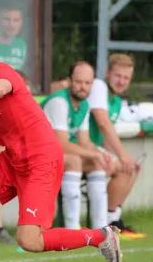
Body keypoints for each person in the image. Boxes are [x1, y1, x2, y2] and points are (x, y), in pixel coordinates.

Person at [0, 23, 122, 262]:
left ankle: (100, 236)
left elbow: (0, 89)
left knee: (29, 241)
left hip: (41, 159)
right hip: (12, 159)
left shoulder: (1, 72)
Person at [41, 62, 113, 229]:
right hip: (33, 152)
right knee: (74, 160)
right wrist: (93, 154)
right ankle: (72, 228)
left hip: (53, 154)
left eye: (87, 83)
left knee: (96, 162)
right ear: (70, 81)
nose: (83, 87)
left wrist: (100, 154)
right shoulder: (59, 101)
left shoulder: (84, 104)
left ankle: (101, 229)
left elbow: (84, 141)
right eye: (79, 82)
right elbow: (61, 144)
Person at [87, 53, 146, 239]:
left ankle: (114, 220)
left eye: (126, 78)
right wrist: (121, 156)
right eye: (118, 76)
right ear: (108, 73)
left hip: (93, 148)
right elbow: (102, 122)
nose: (121, 81)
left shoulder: (117, 102)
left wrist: (125, 156)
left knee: (132, 167)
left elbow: (104, 137)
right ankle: (107, 224)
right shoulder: (98, 86)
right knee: (120, 166)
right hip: (77, 146)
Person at [0, 5, 27, 71]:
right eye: (6, 19)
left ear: (21, 23)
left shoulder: (22, 45)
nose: (11, 24)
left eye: (16, 20)